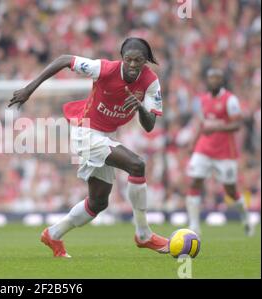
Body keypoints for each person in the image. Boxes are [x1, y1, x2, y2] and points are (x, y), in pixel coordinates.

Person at [9, 37, 168, 258]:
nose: (133, 65)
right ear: (122, 58)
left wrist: (140, 108)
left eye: (138, 60)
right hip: (86, 132)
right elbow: (65, 59)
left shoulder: (151, 83)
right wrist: (29, 89)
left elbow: (149, 126)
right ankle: (143, 234)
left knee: (98, 203)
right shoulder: (104, 69)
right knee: (137, 165)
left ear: (146, 61)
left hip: (104, 136)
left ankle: (53, 234)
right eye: (128, 60)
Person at [185, 68, 253, 236]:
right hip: (204, 148)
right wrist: (193, 143)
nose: (214, 80)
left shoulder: (230, 100)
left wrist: (218, 126)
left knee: (230, 189)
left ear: (222, 81)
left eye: (217, 78)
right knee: (195, 182)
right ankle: (194, 225)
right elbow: (202, 124)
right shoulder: (202, 100)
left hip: (224, 152)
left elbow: (238, 124)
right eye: (211, 78)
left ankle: (245, 217)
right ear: (207, 80)